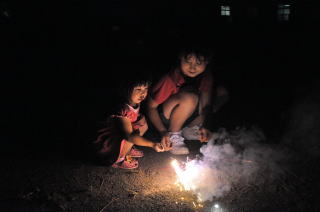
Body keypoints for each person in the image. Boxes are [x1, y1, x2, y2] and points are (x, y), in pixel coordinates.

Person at [147, 45, 229, 155]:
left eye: (198, 63)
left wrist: (206, 125)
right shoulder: (171, 77)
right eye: (188, 62)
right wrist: (163, 132)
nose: (192, 68)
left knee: (221, 94)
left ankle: (190, 129)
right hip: (164, 117)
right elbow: (151, 107)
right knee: (190, 97)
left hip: (188, 113)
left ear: (207, 62)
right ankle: (173, 134)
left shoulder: (206, 75)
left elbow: (206, 106)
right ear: (180, 58)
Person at [93, 75, 170, 169]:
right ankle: (118, 160)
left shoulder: (135, 102)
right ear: (126, 89)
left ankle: (127, 149)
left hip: (119, 134)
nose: (143, 93)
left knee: (142, 123)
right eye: (138, 89)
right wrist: (152, 144)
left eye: (145, 88)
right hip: (107, 145)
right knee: (131, 135)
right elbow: (129, 136)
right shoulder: (123, 109)